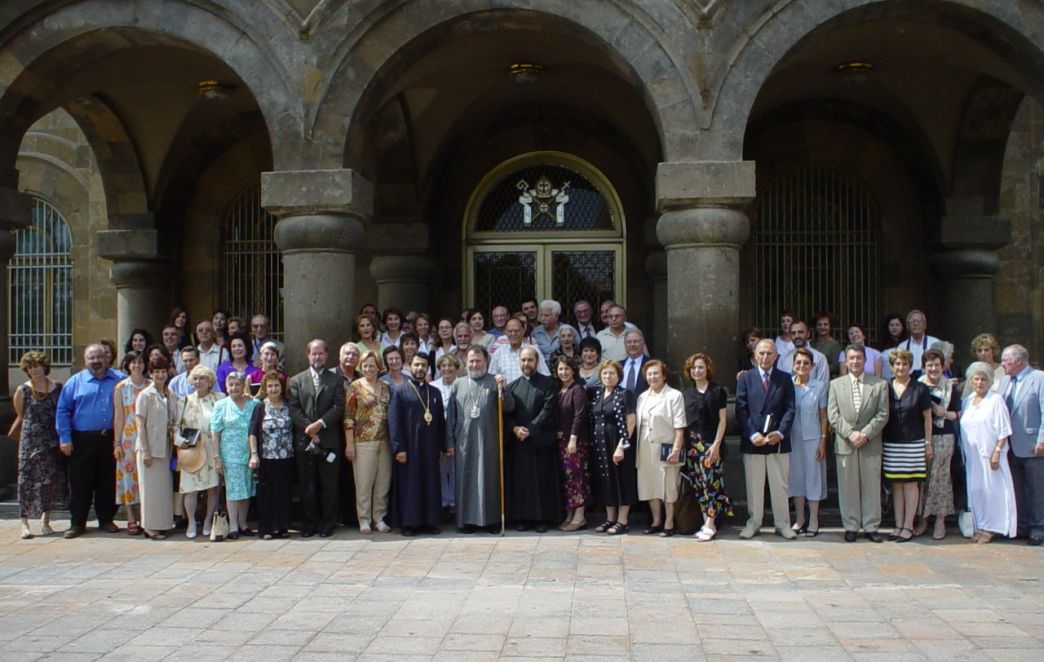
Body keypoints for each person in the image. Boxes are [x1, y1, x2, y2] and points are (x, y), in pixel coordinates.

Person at [56, 343, 123, 539]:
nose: (96, 361)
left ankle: (106, 519)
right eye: (91, 358)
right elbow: (62, 411)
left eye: (99, 357)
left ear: (107, 359)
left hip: (110, 438)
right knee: (80, 483)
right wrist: (65, 438)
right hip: (82, 440)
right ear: (85, 361)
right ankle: (77, 523)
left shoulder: (119, 380)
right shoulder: (74, 382)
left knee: (108, 481)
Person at [447, 345, 512, 534]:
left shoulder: (494, 382)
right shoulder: (458, 384)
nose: (474, 364)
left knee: (488, 481)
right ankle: (466, 521)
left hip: (489, 441)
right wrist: (449, 443)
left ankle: (491, 521)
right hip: (464, 443)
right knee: (465, 480)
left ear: (486, 362)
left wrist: (505, 389)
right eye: (471, 361)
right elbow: (451, 417)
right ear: (466, 363)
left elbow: (508, 407)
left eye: (478, 361)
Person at [828, 345, 890, 543]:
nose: (855, 362)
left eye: (859, 358)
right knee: (848, 486)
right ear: (846, 361)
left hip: (870, 443)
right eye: (851, 358)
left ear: (865, 361)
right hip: (846, 443)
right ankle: (851, 525)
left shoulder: (879, 384)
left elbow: (883, 414)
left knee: (871, 485)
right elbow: (833, 414)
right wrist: (850, 434)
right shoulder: (836, 384)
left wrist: (865, 434)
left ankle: (872, 526)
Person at [736, 339, 797, 540]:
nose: (765, 357)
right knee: (754, 485)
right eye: (761, 353)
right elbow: (741, 410)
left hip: (776, 441)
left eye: (769, 353)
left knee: (780, 485)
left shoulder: (785, 378)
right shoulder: (746, 379)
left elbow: (790, 409)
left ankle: (782, 524)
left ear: (776, 355)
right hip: (753, 441)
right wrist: (753, 434)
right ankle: (754, 522)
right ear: (755, 355)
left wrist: (779, 433)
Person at [287, 339, 346, 538]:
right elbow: (294, 408)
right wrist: (309, 428)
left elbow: (339, 407)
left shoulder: (335, 380)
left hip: (329, 440)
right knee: (306, 485)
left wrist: (320, 424)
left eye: (320, 353)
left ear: (327, 355)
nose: (317, 357)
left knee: (329, 486)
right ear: (308, 355)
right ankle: (309, 524)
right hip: (305, 442)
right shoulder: (296, 380)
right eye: (314, 353)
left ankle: (328, 524)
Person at [388, 352, 447, 536]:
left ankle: (430, 522)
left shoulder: (435, 392)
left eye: (423, 365)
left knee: (430, 483)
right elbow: (394, 421)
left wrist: (441, 446)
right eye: (417, 365)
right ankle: (410, 523)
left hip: (430, 448)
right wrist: (399, 448)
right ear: (410, 366)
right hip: (409, 448)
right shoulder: (400, 391)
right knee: (410, 484)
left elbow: (439, 423)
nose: (420, 368)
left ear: (428, 368)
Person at [8, 351, 65, 539]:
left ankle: (45, 520)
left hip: (51, 440)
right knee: (26, 480)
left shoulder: (57, 387)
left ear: (44, 367)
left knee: (48, 481)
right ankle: (24, 523)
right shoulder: (22, 390)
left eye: (36, 366)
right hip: (30, 440)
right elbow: (22, 415)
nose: (34, 370)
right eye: (30, 367)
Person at [503, 347, 559, 532]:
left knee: (541, 481)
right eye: (523, 360)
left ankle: (542, 519)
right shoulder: (512, 386)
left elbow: (549, 409)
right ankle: (523, 518)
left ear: (537, 361)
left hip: (540, 440)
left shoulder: (548, 383)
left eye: (530, 360)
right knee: (522, 482)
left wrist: (531, 428)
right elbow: (507, 413)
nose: (526, 364)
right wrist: (515, 429)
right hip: (520, 441)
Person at [961, 361, 1017, 543]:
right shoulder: (967, 401)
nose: (979, 383)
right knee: (976, 490)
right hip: (972, 457)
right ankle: (980, 524)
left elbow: (1004, 430)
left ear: (990, 381)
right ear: (971, 381)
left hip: (990, 455)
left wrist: (997, 451)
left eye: (983, 379)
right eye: (976, 379)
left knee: (992, 491)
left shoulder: (995, 400)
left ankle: (993, 527)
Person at [677, 353, 731, 542]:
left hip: (711, 444)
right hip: (693, 446)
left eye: (700, 367)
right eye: (693, 368)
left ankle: (711, 522)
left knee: (711, 484)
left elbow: (723, 420)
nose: (697, 371)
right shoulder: (686, 394)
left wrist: (716, 444)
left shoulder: (717, 392)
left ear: (707, 369)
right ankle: (705, 522)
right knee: (698, 484)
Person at [883, 348, 933, 543]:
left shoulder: (920, 388)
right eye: (897, 364)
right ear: (892, 366)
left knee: (911, 484)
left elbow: (928, 417)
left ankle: (908, 525)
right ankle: (898, 524)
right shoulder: (886, 387)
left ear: (910, 366)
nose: (900, 367)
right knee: (896, 484)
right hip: (892, 442)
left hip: (914, 442)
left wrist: (928, 443)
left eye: (904, 364)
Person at [997, 344, 1044, 545]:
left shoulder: (1040, 379)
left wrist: (1042, 439)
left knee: (1036, 489)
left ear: (1018, 360)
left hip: (1033, 444)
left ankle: (1038, 527)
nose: (1002, 364)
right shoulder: (1004, 381)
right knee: (1016, 488)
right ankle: (1022, 525)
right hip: (1011, 446)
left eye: (1005, 360)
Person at [635, 360, 685, 536]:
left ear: (664, 375)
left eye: (656, 373)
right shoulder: (642, 397)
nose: (653, 377)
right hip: (645, 447)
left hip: (667, 447)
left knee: (668, 486)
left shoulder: (674, 395)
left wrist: (676, 450)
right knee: (650, 485)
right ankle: (656, 521)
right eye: (649, 374)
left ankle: (669, 522)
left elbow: (680, 426)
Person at [344, 350, 392, 534]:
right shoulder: (355, 387)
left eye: (372, 365)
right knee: (364, 483)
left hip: (385, 440)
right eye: (365, 365)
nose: (368, 368)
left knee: (383, 482)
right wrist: (349, 444)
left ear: (379, 367)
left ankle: (379, 517)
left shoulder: (386, 386)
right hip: (363, 441)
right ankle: (364, 519)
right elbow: (348, 417)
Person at [916, 348, 961, 540]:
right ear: (923, 367)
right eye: (929, 365)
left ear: (943, 367)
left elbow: (958, 413)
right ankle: (922, 519)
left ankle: (940, 520)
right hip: (919, 437)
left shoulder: (951, 388)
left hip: (943, 436)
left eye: (936, 365)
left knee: (940, 478)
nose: (933, 368)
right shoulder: (917, 386)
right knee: (922, 478)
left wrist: (942, 412)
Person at [589, 359, 637, 535]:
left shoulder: (625, 394)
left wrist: (621, 446)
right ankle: (610, 518)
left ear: (618, 376)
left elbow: (631, 421)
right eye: (605, 373)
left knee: (622, 479)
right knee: (606, 479)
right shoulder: (598, 394)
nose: (608, 376)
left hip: (618, 441)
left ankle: (622, 520)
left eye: (612, 373)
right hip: (601, 444)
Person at [175, 365, 223, 539]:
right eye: (195, 378)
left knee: (212, 487)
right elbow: (175, 427)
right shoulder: (184, 401)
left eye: (202, 378)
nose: (198, 382)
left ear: (209, 381)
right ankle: (191, 522)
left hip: (212, 449)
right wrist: (180, 441)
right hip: (192, 451)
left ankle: (209, 520)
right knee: (190, 489)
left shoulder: (219, 399)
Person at [211, 371, 258, 539]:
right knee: (233, 490)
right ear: (226, 386)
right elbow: (215, 433)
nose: (234, 388)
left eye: (237, 384)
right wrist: (217, 458)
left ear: (243, 385)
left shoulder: (253, 404)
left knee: (246, 488)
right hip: (229, 455)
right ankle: (233, 526)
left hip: (249, 454)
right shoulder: (221, 405)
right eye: (231, 385)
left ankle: (243, 523)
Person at [787, 348, 828, 537]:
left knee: (813, 477)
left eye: (805, 363)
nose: (801, 366)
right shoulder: (788, 385)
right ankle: (800, 518)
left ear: (812, 366)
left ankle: (814, 519)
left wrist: (823, 440)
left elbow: (823, 416)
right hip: (792, 438)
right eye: (798, 363)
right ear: (793, 365)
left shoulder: (819, 386)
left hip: (813, 438)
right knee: (796, 478)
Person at [133, 357, 176, 539]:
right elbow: (139, 425)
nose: (160, 375)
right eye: (156, 372)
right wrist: (145, 451)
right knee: (149, 490)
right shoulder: (145, 395)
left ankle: (163, 523)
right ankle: (149, 526)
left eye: (163, 372)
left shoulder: (169, 393)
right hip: (149, 448)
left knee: (163, 489)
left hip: (164, 448)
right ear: (150, 374)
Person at [249, 371, 295, 540]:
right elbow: (253, 432)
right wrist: (254, 454)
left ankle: (282, 527)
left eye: (277, 385)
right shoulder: (260, 407)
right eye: (270, 386)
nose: (274, 389)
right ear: (265, 388)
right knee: (266, 494)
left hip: (286, 457)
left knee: (283, 492)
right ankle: (266, 528)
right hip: (266, 457)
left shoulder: (289, 405)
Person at [112, 351, 149, 536]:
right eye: (133, 362)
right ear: (127, 365)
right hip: (127, 436)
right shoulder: (121, 387)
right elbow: (119, 417)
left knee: (146, 476)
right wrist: (116, 442)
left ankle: (146, 516)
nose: (137, 365)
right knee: (128, 477)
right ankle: (131, 518)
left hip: (147, 435)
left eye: (140, 362)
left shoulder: (150, 385)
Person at [554, 355, 590, 531]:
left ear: (573, 370)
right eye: (560, 369)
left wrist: (573, 438)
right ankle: (570, 513)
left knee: (577, 478)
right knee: (567, 479)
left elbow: (579, 416)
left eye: (567, 369)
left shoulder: (578, 390)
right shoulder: (561, 390)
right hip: (562, 442)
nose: (563, 372)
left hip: (575, 442)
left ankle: (580, 516)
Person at [432, 353, 460, 513]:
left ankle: (456, 502)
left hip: (456, 433)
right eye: (443, 365)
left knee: (455, 469)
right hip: (439, 433)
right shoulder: (434, 386)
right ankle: (443, 502)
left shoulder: (462, 384)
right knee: (442, 470)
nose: (447, 368)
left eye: (450, 365)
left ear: (456, 368)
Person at [884, 310, 938, 380]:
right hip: (909, 383)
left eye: (919, 321)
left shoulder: (935, 343)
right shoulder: (902, 346)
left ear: (925, 325)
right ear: (908, 326)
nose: (916, 324)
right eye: (913, 321)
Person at [776, 320, 829, 384]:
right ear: (790, 336)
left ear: (808, 334)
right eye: (793, 333)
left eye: (800, 332)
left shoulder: (819, 358)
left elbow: (823, 386)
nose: (797, 336)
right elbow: (780, 384)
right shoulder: (783, 359)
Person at [812, 313, 843, 378]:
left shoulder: (834, 345)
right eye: (819, 324)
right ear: (815, 327)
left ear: (830, 327)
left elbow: (836, 367)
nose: (822, 327)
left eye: (825, 324)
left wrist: (818, 367)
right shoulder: (811, 343)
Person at [620, 330, 650, 396]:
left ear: (643, 343)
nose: (632, 344)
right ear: (625, 345)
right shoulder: (618, 365)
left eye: (635, 341)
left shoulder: (651, 364)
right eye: (629, 342)